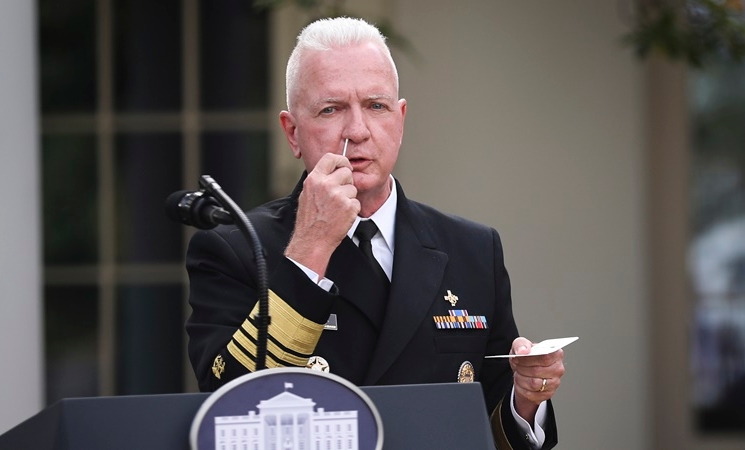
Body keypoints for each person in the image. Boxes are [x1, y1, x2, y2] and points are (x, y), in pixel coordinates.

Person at [186, 16, 565, 449]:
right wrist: (312, 244)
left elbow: (488, 423)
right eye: (331, 109)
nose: (357, 131)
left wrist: (525, 400)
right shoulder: (235, 248)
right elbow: (232, 409)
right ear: (293, 133)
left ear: (400, 120)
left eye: (376, 106)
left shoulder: (473, 249)